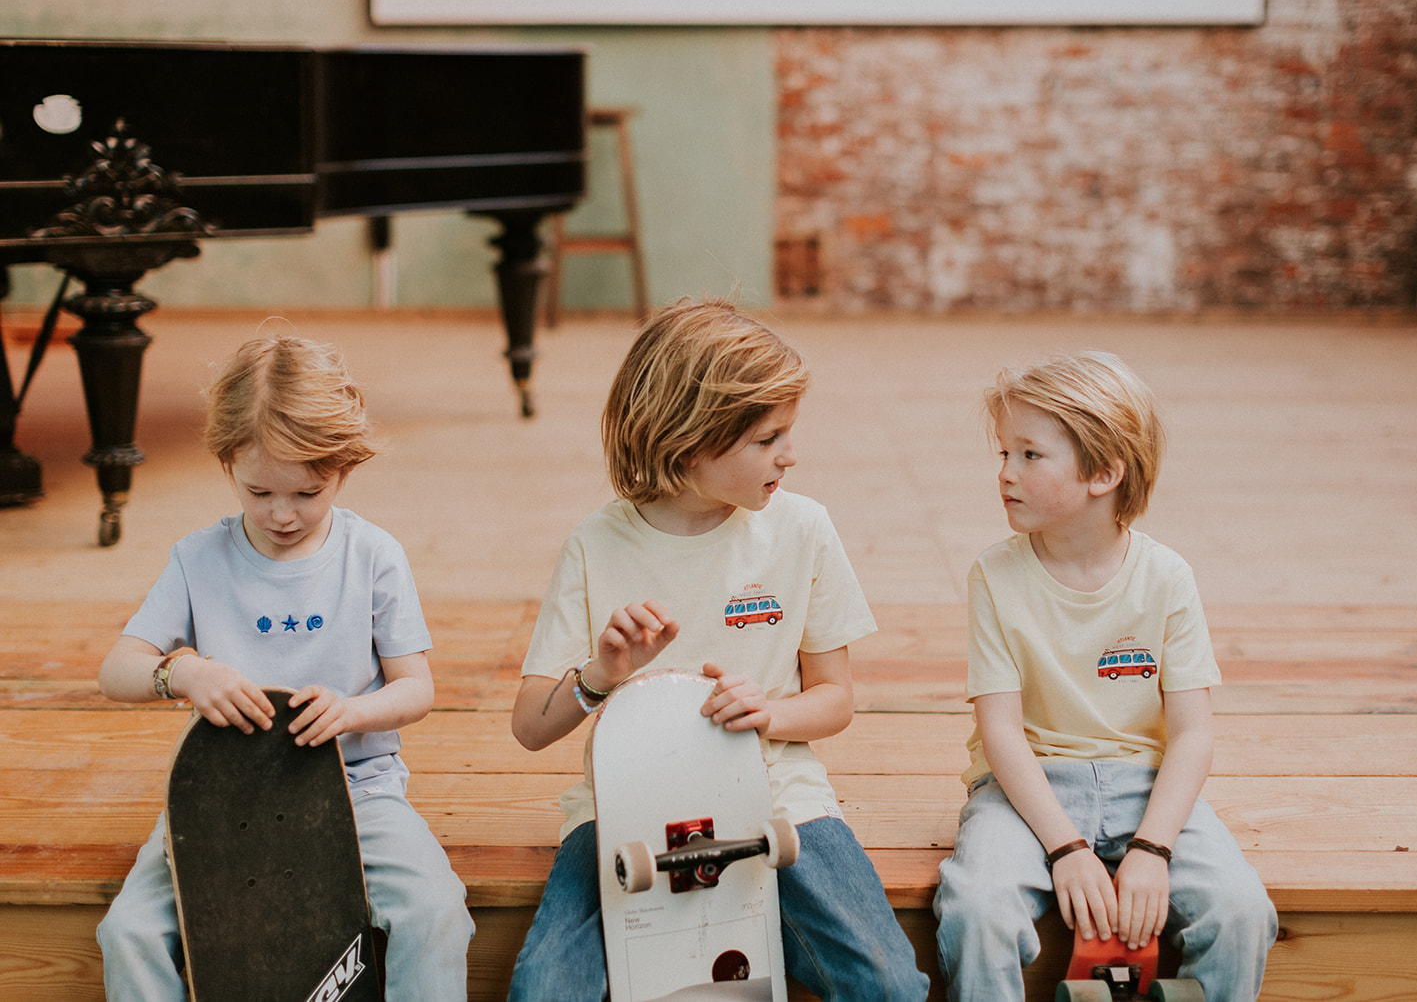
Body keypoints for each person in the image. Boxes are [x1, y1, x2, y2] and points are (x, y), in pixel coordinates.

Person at [506, 298, 928, 1002]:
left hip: (777, 795)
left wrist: (770, 712)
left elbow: (835, 698)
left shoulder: (803, 529)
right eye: (769, 439)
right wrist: (601, 675)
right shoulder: (594, 544)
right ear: (690, 441)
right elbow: (529, 724)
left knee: (888, 980)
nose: (790, 455)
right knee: (544, 988)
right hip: (624, 804)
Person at [95, 334, 474, 1002]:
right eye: (259, 489)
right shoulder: (198, 559)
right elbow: (117, 669)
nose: (280, 513)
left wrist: (354, 710)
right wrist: (181, 672)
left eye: (307, 490)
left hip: (358, 788)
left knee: (437, 909)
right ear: (226, 464)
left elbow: (417, 687)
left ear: (343, 467)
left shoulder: (373, 555)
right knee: (126, 930)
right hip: (222, 797)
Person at [934, 351, 1277, 1001]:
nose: (1005, 472)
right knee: (978, 907)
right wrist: (1066, 849)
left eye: (1030, 455)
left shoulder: (1167, 577)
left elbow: (1193, 733)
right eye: (1004, 453)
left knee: (1241, 910)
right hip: (1025, 789)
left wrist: (1152, 848)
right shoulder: (995, 576)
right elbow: (1001, 729)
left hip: (1146, 788)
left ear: (1104, 471)